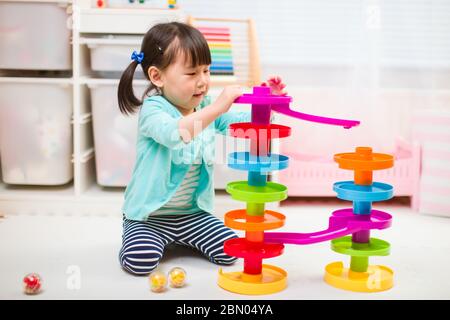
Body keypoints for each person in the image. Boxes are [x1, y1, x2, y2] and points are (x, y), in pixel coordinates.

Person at [117, 21, 286, 275]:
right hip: (148, 217)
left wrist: (268, 104)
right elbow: (177, 133)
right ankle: (144, 235)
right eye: (192, 73)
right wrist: (217, 107)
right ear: (157, 76)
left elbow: (247, 126)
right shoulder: (154, 110)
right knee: (140, 261)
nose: (203, 81)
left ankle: (184, 237)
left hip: (192, 215)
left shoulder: (205, 106)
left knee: (231, 250)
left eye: (207, 71)